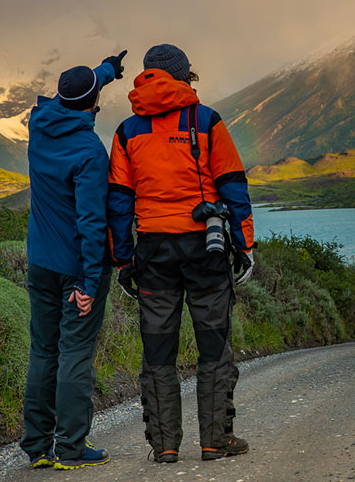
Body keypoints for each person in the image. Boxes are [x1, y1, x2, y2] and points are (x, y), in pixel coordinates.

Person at [107, 44, 255, 463]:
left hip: (152, 250)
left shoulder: (126, 131)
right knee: (213, 347)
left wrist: (123, 260)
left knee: (158, 351)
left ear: (148, 77)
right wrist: (244, 245)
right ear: (184, 76)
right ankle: (214, 441)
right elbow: (232, 185)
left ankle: (165, 445)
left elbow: (118, 202)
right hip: (204, 247)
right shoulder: (207, 121)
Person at [21, 49, 127, 470]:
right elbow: (90, 221)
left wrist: (105, 71)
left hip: (40, 263)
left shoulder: (39, 124)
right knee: (76, 352)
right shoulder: (89, 151)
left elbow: (70, 94)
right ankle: (70, 448)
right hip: (75, 269)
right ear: (94, 103)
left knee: (43, 352)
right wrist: (87, 280)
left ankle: (37, 447)